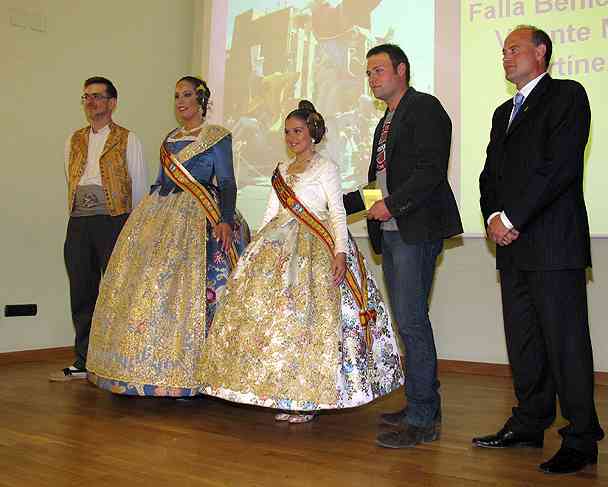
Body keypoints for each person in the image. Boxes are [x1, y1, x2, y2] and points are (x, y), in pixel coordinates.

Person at [198, 100, 403, 423]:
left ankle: (308, 398)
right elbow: (271, 213)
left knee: (307, 322)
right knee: (278, 324)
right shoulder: (281, 170)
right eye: (287, 132)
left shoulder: (326, 167)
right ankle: (285, 392)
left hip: (314, 247)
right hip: (278, 245)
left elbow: (337, 212)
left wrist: (340, 252)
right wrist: (255, 249)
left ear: (312, 133)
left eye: (298, 131)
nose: (292, 137)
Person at [474, 26, 604, 474]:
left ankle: (582, 438)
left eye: (515, 49)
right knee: (524, 343)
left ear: (541, 51)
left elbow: (559, 167)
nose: (506, 57)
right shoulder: (502, 113)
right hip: (512, 248)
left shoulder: (567, 95)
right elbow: (489, 175)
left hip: (552, 244)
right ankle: (529, 423)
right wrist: (493, 217)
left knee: (566, 344)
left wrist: (512, 219)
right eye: (503, 51)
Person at [85, 76, 250, 397]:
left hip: (201, 216)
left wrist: (226, 220)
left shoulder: (216, 136)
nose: (180, 101)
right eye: (176, 96)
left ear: (201, 100)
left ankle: (198, 372)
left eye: (186, 95)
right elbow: (161, 180)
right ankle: (148, 368)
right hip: (162, 213)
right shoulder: (170, 139)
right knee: (150, 285)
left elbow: (227, 182)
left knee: (194, 288)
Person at [357, 44, 463, 448]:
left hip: (414, 230)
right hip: (392, 231)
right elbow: (376, 184)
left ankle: (422, 419)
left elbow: (430, 171)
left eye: (379, 70)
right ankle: (422, 404)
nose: (372, 78)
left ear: (401, 70)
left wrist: (392, 205)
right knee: (408, 321)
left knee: (412, 322)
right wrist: (332, 203)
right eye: (369, 72)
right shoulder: (384, 123)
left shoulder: (425, 108)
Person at [49, 77, 148, 382]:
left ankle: (119, 361)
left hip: (114, 221)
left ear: (112, 103)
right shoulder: (74, 140)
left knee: (118, 291)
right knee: (81, 290)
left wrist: (134, 229)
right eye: (86, 97)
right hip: (80, 223)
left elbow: (139, 186)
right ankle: (84, 359)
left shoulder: (128, 139)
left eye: (97, 96)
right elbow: (70, 178)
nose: (91, 102)